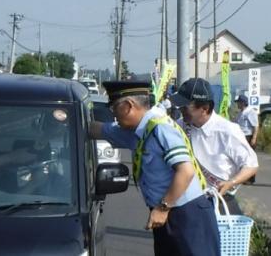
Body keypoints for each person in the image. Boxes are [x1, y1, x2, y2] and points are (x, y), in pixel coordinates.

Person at [89, 81, 220, 256]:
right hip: (167, 213)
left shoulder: (161, 128)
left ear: (129, 106)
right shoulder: (137, 131)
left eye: (114, 109)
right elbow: (99, 130)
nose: (113, 115)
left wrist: (162, 208)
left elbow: (186, 171)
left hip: (187, 214)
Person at [171, 78, 258, 215]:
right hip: (187, 200)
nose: (181, 110)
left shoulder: (227, 130)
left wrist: (231, 182)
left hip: (220, 201)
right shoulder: (179, 126)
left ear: (204, 108)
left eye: (185, 107)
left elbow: (251, 165)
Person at [233, 94, 259, 184]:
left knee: (250, 158)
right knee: (243, 158)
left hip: (248, 136)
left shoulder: (250, 112)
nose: (237, 105)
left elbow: (255, 126)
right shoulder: (241, 113)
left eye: (238, 103)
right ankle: (244, 177)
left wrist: (254, 138)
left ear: (243, 103)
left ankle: (251, 179)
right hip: (241, 137)